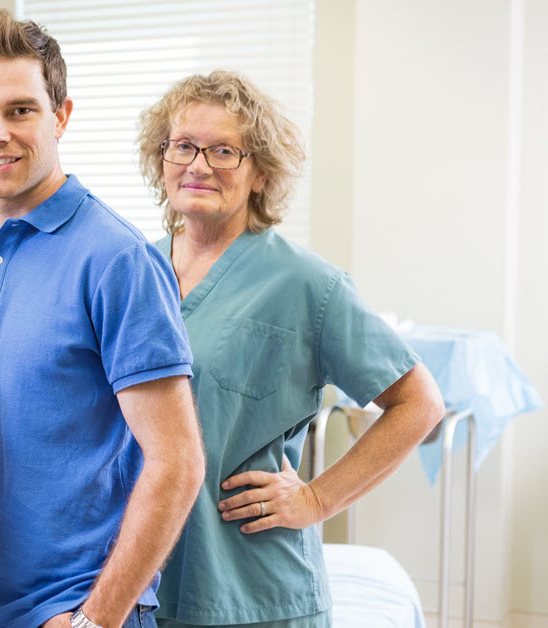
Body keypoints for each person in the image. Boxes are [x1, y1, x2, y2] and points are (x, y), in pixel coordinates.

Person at [136, 70, 444, 627]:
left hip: (252, 590)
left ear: (259, 173)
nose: (198, 165)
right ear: (161, 158)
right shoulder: (134, 271)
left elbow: (419, 404)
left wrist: (318, 500)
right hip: (139, 583)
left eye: (224, 150)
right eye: (183, 145)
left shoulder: (305, 283)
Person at [0, 10, 205, 628]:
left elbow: (177, 460)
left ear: (61, 115)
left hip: (71, 611)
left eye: (20, 110)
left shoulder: (117, 261)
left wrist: (95, 619)